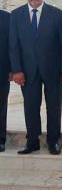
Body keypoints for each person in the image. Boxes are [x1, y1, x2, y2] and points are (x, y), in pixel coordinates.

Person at [9, 0, 62, 155]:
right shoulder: (16, 15)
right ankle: (32, 141)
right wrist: (17, 70)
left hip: (53, 71)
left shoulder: (56, 14)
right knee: (31, 107)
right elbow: (14, 45)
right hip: (27, 71)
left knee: (54, 107)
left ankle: (53, 141)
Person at [0, 10, 11, 152]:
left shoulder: (6, 17)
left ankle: (0, 139)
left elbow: (11, 45)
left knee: (1, 105)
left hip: (1, 70)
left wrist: (11, 68)